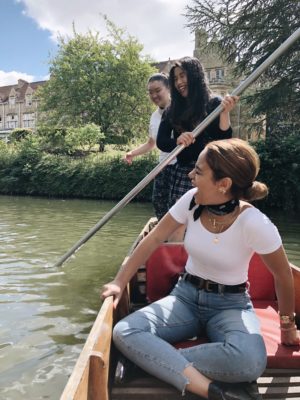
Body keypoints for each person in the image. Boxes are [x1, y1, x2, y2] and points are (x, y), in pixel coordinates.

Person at [102, 138, 299, 400]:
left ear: (224, 184)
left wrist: (287, 326)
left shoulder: (255, 223)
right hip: (184, 297)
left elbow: (282, 275)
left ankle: (144, 361)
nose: (190, 175)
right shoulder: (191, 201)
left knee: (250, 362)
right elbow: (153, 239)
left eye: (198, 171)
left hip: (231, 305)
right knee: (125, 331)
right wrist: (118, 281)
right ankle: (209, 390)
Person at [156, 56, 238, 208]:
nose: (179, 82)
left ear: (194, 75)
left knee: (209, 216)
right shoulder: (172, 109)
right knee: (183, 218)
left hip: (210, 172)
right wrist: (177, 140)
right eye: (175, 79)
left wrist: (225, 113)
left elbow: (224, 140)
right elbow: (161, 141)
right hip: (183, 172)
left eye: (182, 76)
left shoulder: (214, 103)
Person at [124, 73, 176, 221]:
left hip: (180, 166)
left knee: (176, 205)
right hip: (162, 166)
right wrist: (132, 153)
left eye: (157, 90)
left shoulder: (180, 111)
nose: (154, 95)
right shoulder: (154, 116)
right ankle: (164, 238)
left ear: (168, 88)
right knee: (159, 203)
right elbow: (151, 143)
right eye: (150, 92)